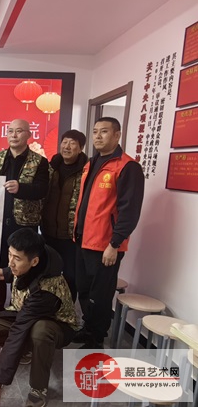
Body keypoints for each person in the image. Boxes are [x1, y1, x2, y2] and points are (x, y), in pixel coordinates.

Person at [73, 117, 145, 349]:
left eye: (104, 131)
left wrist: (115, 244)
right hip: (84, 240)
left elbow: (129, 211)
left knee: (100, 295)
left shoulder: (127, 167)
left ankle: (96, 339)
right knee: (84, 290)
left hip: (106, 246)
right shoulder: (91, 163)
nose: (98, 136)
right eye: (95, 132)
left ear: (117, 135)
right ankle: (88, 328)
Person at [0, 228, 77, 406]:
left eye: (16, 258)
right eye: (9, 254)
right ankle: (26, 350)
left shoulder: (45, 291)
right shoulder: (33, 258)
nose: (11, 262)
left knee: (40, 331)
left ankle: (38, 388)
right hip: (26, 313)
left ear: (34, 261)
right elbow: (18, 269)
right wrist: (4, 273)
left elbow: (19, 328)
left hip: (57, 325)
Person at [0, 119, 49, 311]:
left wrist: (21, 188)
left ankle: (21, 309)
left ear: (28, 135)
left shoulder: (39, 161)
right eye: (10, 131)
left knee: (22, 266)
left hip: (23, 224)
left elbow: (42, 190)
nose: (14, 135)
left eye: (19, 131)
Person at [40, 129, 88, 301]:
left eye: (72, 143)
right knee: (46, 273)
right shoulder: (50, 168)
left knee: (70, 276)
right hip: (48, 231)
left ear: (80, 148)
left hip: (71, 236)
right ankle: (46, 308)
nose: (67, 146)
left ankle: (68, 310)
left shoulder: (86, 172)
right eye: (64, 142)